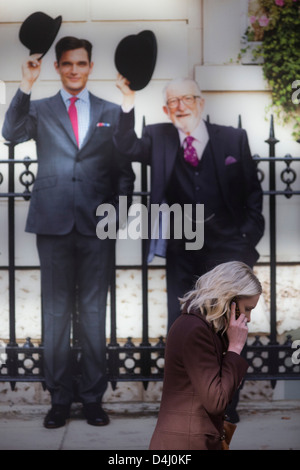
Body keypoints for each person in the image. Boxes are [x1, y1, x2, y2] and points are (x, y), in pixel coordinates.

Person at [2, 37, 135, 429]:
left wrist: (117, 219)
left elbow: (124, 171)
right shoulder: (40, 109)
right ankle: (59, 398)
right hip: (54, 224)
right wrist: (25, 85)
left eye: (81, 63)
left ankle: (93, 398)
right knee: (56, 314)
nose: (74, 70)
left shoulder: (112, 111)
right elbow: (11, 133)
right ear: (58, 68)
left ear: (90, 67)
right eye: (67, 64)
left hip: (97, 228)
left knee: (94, 314)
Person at [115, 76, 264, 331]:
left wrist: (246, 237)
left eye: (187, 99)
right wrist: (128, 100)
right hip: (182, 246)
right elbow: (126, 146)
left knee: (228, 317)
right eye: (173, 101)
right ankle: (185, 371)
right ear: (166, 109)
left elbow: (252, 191)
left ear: (200, 103)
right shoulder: (159, 137)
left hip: (229, 244)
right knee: (184, 317)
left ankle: (226, 370)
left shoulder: (232, 138)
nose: (181, 106)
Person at [149, 261, 262, 450]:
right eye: (248, 308)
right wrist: (234, 348)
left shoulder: (205, 328)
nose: (249, 318)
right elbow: (216, 402)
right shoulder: (195, 331)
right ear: (229, 300)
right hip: (186, 444)